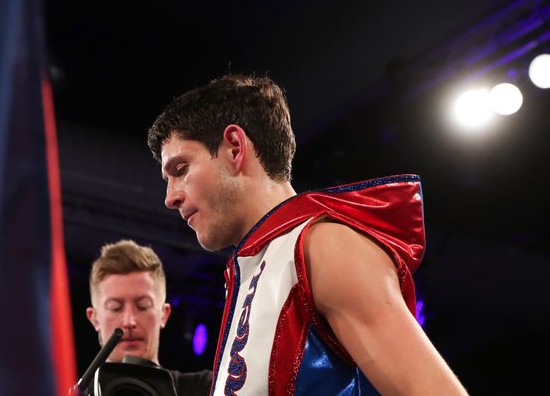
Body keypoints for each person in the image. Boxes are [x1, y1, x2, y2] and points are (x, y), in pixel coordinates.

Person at [147, 74, 469, 395]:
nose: (170, 197)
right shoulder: (255, 272)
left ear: (234, 148)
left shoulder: (323, 247)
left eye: (180, 169)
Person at [85, 239, 212, 395]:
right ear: (94, 318)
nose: (129, 321)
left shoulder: (209, 389)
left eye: (143, 306)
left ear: (164, 314)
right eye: (115, 308)